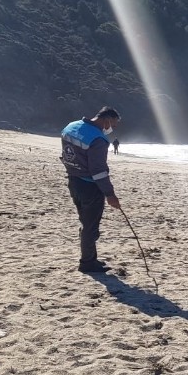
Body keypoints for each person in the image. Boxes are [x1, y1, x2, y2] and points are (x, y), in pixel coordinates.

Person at [60, 106, 121, 273]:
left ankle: (90, 257)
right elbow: (99, 171)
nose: (111, 129)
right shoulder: (98, 140)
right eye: (113, 125)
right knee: (90, 226)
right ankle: (87, 263)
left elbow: (66, 154)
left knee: (85, 222)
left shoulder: (71, 127)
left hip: (73, 181)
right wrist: (110, 194)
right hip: (89, 186)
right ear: (106, 119)